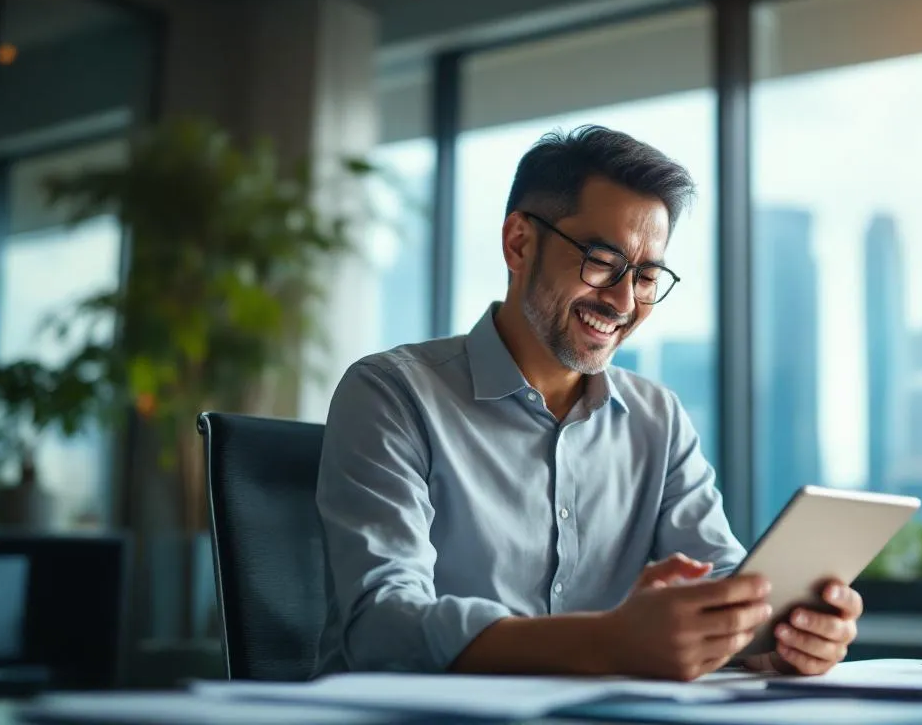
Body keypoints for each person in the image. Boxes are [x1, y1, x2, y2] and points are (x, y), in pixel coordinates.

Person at [314, 125, 862, 680]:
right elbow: (382, 626)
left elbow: (721, 579)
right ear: (519, 243)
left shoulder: (659, 419)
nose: (624, 301)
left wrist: (774, 634)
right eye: (602, 260)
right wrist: (610, 641)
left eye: (647, 276)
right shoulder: (392, 393)